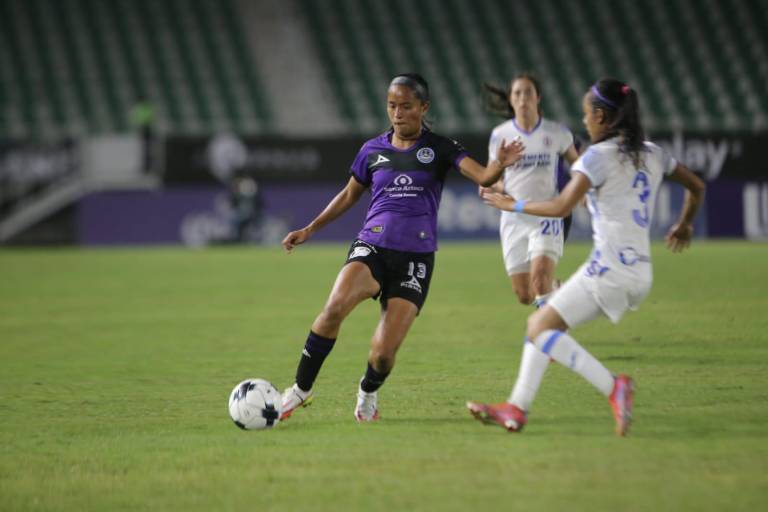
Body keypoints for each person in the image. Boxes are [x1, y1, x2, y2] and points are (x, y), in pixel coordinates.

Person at [279, 73, 525, 422]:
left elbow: (484, 177)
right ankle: (300, 390)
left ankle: (367, 392)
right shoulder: (372, 150)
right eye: (392, 105)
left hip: (415, 258)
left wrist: (500, 162)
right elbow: (350, 194)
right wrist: (311, 228)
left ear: (423, 108)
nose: (398, 113)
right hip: (372, 245)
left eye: (406, 106)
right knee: (334, 307)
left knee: (382, 354)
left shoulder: (441, 148)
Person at [467, 78, 705, 436]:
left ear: (602, 116)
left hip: (608, 269)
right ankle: (516, 408)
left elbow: (561, 206)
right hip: (640, 272)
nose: (584, 122)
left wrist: (511, 203)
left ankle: (614, 387)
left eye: (587, 115)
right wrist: (684, 224)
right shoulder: (654, 153)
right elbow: (696, 186)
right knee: (543, 326)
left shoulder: (596, 158)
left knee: (538, 328)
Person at [481, 73, 580, 308]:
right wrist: (498, 186)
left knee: (539, 281)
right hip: (513, 217)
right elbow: (488, 179)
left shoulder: (557, 133)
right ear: (510, 99)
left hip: (546, 214)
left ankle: (547, 338)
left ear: (538, 98)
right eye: (517, 93)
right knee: (525, 295)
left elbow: (579, 168)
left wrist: (582, 191)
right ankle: (556, 289)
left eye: (528, 92)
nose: (523, 98)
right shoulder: (500, 135)